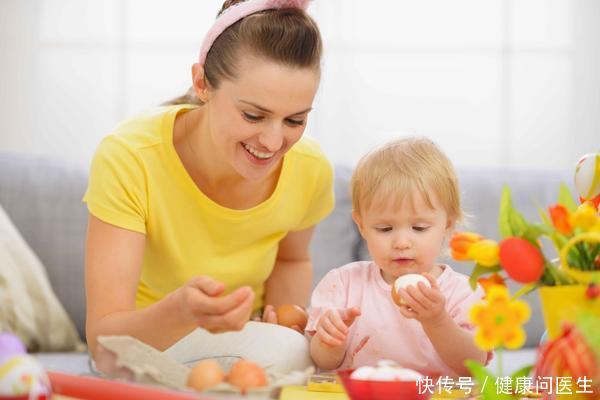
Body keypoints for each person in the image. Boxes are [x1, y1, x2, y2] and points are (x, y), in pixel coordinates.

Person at [83, 0, 332, 371]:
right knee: (291, 356)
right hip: (145, 345)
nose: (272, 142)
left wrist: (284, 317)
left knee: (298, 351)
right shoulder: (131, 156)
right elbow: (105, 345)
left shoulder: (309, 169)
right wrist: (182, 312)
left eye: (295, 120)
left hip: (251, 341)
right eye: (253, 115)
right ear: (202, 83)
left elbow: (292, 258)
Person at [307, 137, 490, 377]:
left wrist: (437, 321)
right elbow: (324, 362)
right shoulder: (343, 284)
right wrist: (330, 342)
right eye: (384, 229)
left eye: (419, 228)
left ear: (447, 225)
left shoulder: (464, 293)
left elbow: (472, 365)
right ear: (361, 226)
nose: (402, 243)